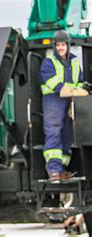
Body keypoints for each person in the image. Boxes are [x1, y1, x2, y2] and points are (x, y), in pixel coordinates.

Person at [40, 30, 89, 181]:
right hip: (53, 100)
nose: (61, 48)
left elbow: (79, 80)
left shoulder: (74, 61)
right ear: (54, 46)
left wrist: (79, 91)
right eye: (58, 45)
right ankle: (54, 169)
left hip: (69, 100)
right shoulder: (49, 62)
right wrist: (72, 90)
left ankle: (62, 168)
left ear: (67, 45)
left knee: (67, 133)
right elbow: (52, 82)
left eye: (63, 45)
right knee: (54, 131)